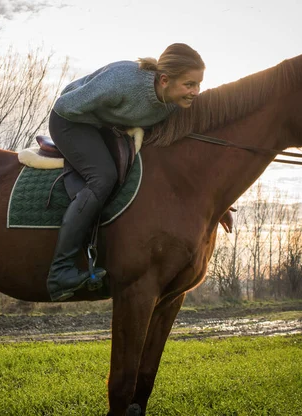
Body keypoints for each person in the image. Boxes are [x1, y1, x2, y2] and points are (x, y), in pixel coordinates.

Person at [47, 43, 205, 302]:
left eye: (199, 84)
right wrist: (105, 126)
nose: (196, 92)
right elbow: (66, 106)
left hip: (104, 126)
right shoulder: (122, 81)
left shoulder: (175, 102)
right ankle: (60, 271)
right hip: (71, 121)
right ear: (164, 80)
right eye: (190, 84)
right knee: (103, 177)